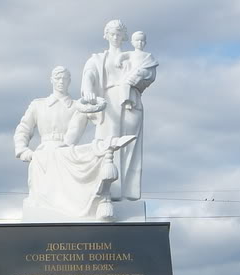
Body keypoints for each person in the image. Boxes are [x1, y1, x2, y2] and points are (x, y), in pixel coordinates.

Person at [13, 66, 133, 218]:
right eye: (57, 78)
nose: (61, 82)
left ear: (69, 81)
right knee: (46, 159)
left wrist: (107, 98)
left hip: (69, 151)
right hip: (45, 153)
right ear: (51, 80)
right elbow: (24, 128)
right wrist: (23, 150)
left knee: (98, 152)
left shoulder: (79, 106)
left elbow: (103, 119)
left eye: (64, 78)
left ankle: (100, 201)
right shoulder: (38, 105)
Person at [81, 20, 157, 201]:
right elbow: (89, 74)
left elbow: (150, 74)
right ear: (106, 35)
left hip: (131, 101)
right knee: (107, 145)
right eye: (112, 34)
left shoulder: (134, 57)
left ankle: (127, 193)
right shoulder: (98, 59)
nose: (115, 37)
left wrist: (139, 77)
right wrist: (88, 89)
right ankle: (109, 190)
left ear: (124, 37)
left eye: (119, 34)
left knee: (129, 145)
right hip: (108, 105)